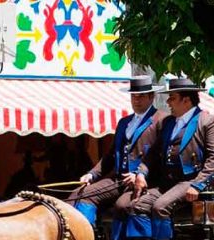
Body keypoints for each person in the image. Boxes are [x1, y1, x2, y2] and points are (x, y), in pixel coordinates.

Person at [123, 77, 214, 240]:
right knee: (135, 206)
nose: (168, 102)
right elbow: (152, 153)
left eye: (172, 98)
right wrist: (141, 173)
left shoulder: (208, 121)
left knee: (160, 206)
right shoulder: (169, 122)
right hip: (167, 183)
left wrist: (197, 185)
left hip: (190, 180)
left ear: (186, 100)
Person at [70, 75, 165, 226]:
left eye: (141, 96)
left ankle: (89, 236)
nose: (136, 100)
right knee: (78, 194)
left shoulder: (161, 120)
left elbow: (160, 156)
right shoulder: (124, 122)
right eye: (133, 96)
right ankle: (82, 233)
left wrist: (139, 175)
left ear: (151, 96)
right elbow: (110, 155)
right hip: (118, 179)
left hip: (145, 181)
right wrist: (92, 174)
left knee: (122, 206)